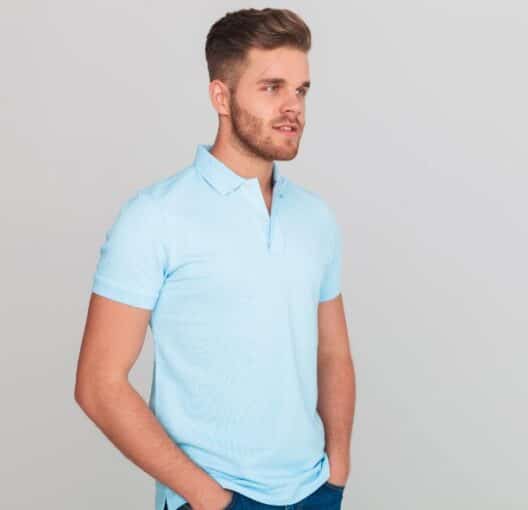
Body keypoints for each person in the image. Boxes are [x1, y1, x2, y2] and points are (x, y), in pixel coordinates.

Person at [74, 8, 355, 510]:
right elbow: (99, 384)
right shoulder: (154, 217)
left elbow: (333, 352)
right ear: (221, 97)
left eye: (301, 90)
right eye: (271, 87)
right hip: (215, 497)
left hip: (315, 490)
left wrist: (337, 470)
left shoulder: (315, 217)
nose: (292, 107)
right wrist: (207, 497)